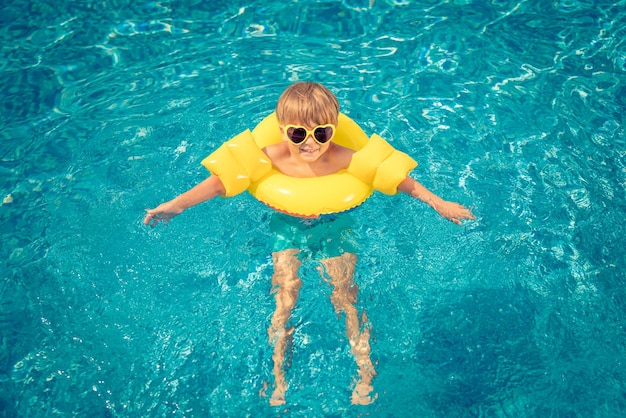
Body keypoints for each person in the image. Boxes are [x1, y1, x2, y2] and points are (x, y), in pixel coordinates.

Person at [144, 82, 475, 406]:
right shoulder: (270, 156)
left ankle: (364, 372)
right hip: (287, 227)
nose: (311, 144)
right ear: (282, 129)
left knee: (345, 297)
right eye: (298, 134)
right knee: (284, 299)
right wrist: (177, 205)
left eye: (322, 133)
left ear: (333, 129)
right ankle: (278, 377)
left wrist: (438, 203)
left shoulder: (344, 157)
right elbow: (220, 182)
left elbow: (400, 180)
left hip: (334, 225)